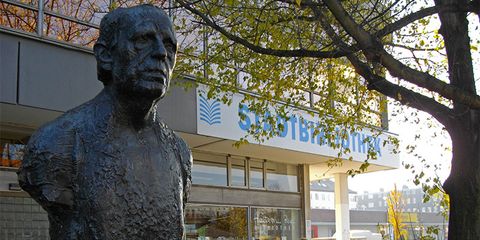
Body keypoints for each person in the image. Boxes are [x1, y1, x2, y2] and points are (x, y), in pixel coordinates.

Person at [17, 5, 192, 240]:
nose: (161, 53)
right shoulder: (57, 142)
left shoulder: (179, 152)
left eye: (170, 46)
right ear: (105, 55)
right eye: (142, 40)